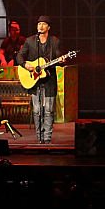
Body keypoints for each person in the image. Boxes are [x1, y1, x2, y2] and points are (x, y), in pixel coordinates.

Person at [17, 15, 64, 144]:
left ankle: (47, 138)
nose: (40, 26)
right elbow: (20, 56)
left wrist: (61, 60)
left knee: (49, 110)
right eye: (39, 24)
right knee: (37, 111)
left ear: (48, 27)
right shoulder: (30, 41)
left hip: (49, 81)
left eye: (43, 24)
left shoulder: (55, 41)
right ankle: (39, 138)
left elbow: (59, 58)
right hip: (34, 81)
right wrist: (26, 65)